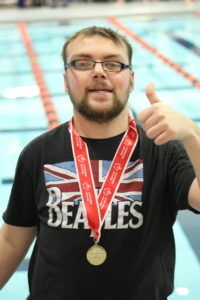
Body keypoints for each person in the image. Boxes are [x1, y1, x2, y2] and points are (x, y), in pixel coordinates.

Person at [0, 26, 200, 300]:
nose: (98, 71)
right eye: (82, 63)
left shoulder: (164, 151)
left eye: (112, 63)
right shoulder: (38, 153)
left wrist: (192, 135)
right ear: (65, 80)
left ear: (131, 80)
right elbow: (12, 240)